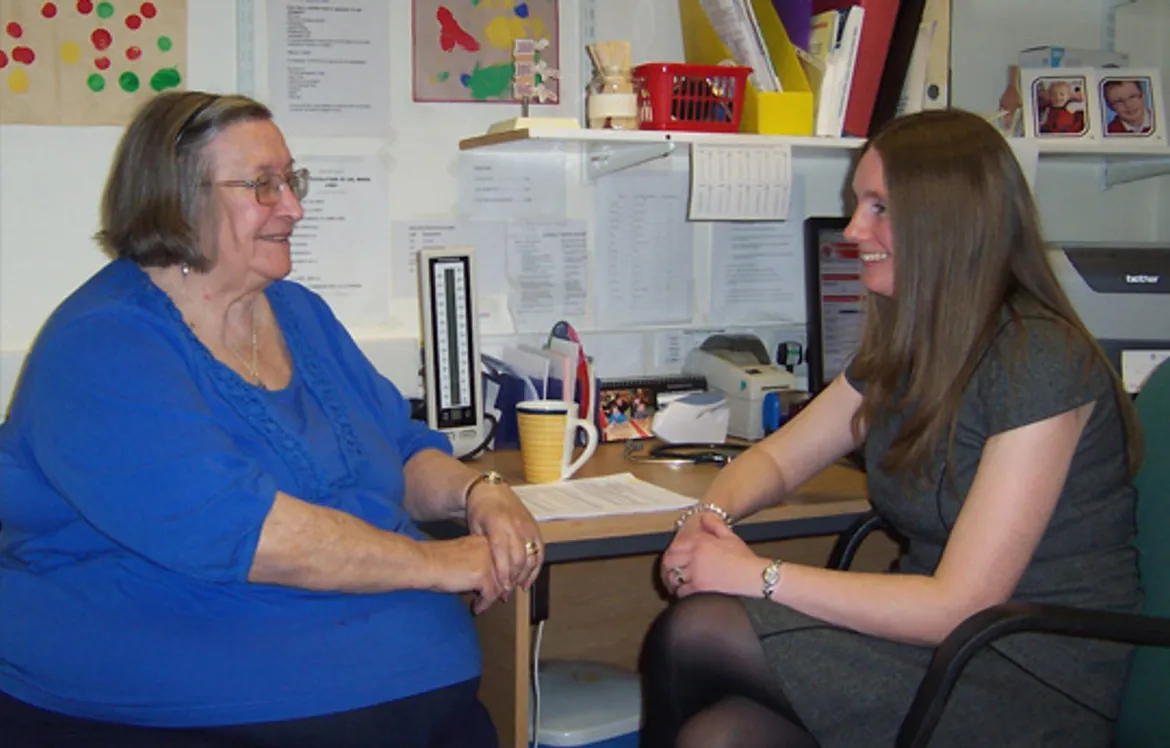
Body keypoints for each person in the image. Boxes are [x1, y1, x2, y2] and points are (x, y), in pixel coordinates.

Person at [0, 90, 543, 747]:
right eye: (262, 185)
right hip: (178, 707)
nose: (293, 206)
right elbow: (249, 534)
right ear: (177, 198)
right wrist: (443, 565)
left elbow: (399, 449)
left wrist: (479, 494)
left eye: (290, 180)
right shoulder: (104, 346)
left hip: (400, 692)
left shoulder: (298, 312)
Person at [640, 109, 1143, 748]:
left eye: (879, 207)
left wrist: (753, 573)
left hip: (1026, 670)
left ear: (945, 225)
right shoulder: (913, 346)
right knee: (721, 738)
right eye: (859, 205)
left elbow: (959, 606)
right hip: (932, 642)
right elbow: (780, 460)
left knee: (697, 631)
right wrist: (709, 517)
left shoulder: (1040, 362)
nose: (853, 230)